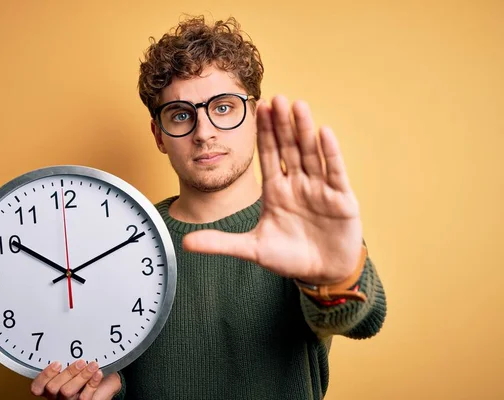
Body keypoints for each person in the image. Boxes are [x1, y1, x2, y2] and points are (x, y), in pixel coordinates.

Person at [30, 15, 387, 400]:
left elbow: (361, 320)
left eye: (223, 107)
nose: (204, 133)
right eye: (181, 115)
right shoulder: (123, 239)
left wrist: (335, 280)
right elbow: (118, 371)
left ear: (254, 116)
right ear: (159, 135)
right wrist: (100, 392)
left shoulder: (300, 227)